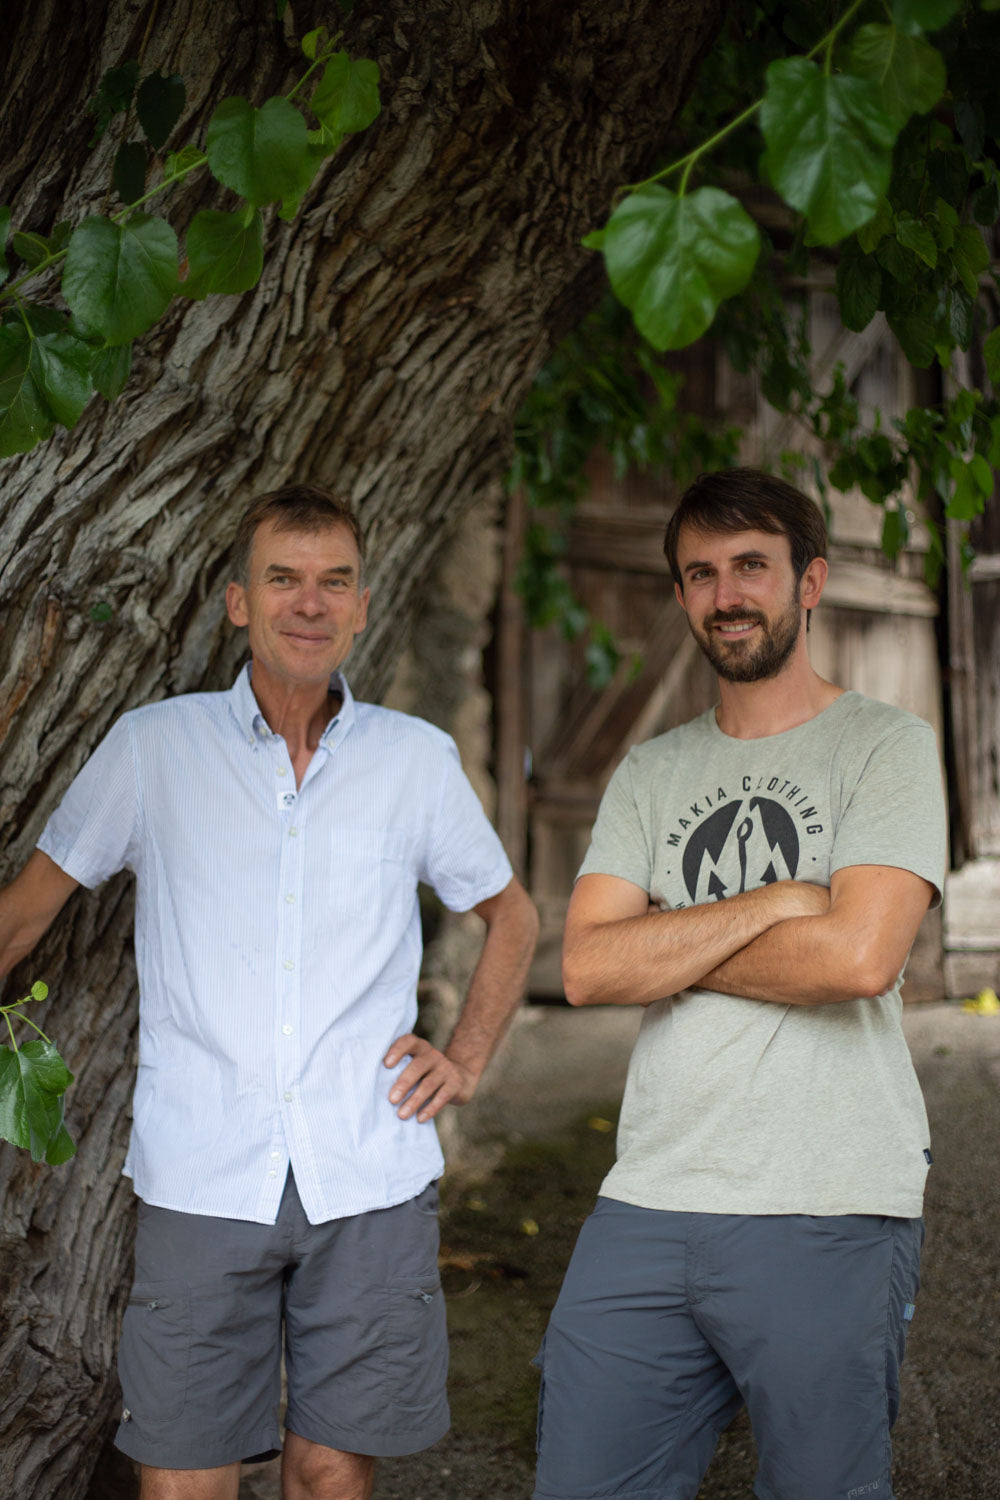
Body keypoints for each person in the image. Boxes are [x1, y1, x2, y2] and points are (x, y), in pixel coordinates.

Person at [0, 484, 539, 1500]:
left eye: (333, 582)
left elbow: (512, 916)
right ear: (238, 601)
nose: (309, 603)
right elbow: (24, 915)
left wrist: (463, 1057)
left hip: (366, 1172)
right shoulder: (154, 749)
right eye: (283, 579)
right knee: (184, 1481)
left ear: (363, 606)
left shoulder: (412, 762)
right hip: (205, 1172)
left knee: (330, 1474)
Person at [533, 468, 946, 1500]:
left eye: (751, 566)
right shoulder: (650, 771)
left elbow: (859, 959)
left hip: (830, 1200)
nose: (726, 594)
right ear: (680, 597)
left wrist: (665, 945)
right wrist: (780, 902)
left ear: (809, 582)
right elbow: (586, 966)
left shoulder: (884, 747)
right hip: (648, 1199)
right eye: (701, 573)